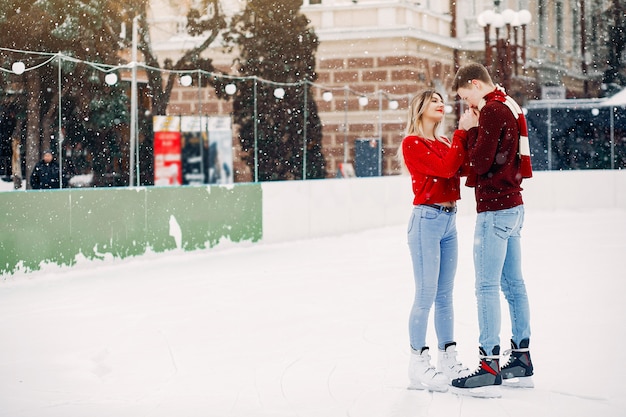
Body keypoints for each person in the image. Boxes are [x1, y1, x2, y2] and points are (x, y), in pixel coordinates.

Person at [449, 62, 534, 398]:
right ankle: (522, 357)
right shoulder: (508, 104)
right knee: (514, 284)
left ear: (474, 84)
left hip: (496, 210)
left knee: (486, 286)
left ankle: (489, 364)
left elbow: (482, 162)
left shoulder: (492, 111)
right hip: (514, 206)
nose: (467, 103)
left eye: (465, 95)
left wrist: (469, 129)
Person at [400, 90, 470, 392]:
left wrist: (470, 135)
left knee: (445, 295)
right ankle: (418, 362)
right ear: (420, 109)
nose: (441, 104)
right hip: (426, 221)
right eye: (434, 101)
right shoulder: (412, 143)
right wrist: (461, 134)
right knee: (426, 293)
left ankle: (447, 357)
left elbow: (462, 168)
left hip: (449, 221)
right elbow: (445, 169)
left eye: (442, 101)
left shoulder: (443, 142)